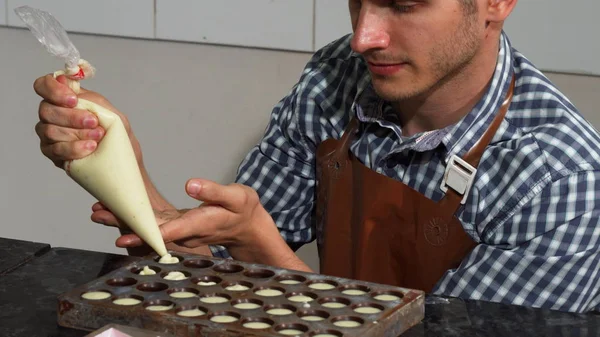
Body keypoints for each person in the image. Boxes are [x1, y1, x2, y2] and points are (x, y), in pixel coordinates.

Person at [32, 0, 600, 313]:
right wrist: (120, 165)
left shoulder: (560, 179)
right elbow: (220, 277)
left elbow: (259, 255)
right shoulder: (341, 79)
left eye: (403, 4)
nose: (363, 37)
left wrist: (265, 247)